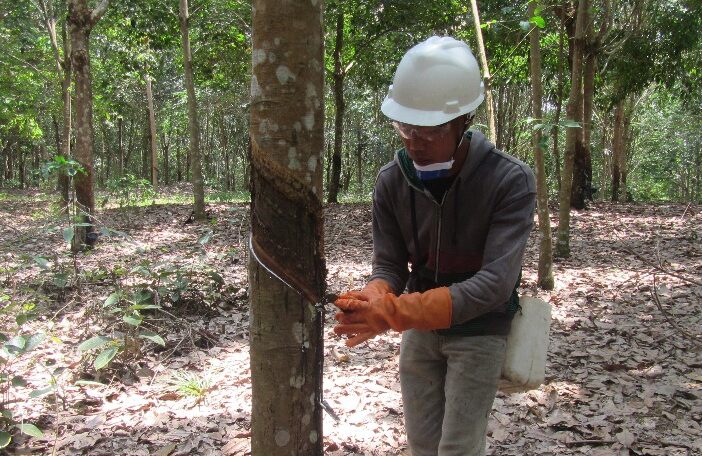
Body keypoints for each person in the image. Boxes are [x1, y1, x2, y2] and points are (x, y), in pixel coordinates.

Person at [333, 36, 536, 456]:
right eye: (405, 127)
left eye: (429, 130)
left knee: (459, 447)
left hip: (481, 329)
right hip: (422, 329)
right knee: (423, 444)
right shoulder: (392, 180)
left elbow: (495, 284)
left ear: (463, 122)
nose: (413, 140)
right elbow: (390, 264)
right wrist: (375, 296)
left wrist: (393, 313)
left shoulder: (509, 181)